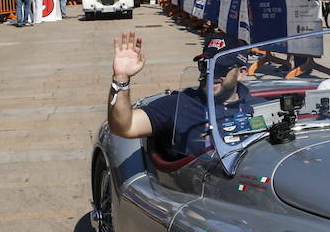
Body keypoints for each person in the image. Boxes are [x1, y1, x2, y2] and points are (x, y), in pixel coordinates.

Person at [108, 34, 253, 161]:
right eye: (205, 65)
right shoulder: (179, 105)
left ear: (241, 73)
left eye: (220, 67)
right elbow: (124, 127)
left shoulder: (257, 107)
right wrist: (121, 77)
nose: (210, 73)